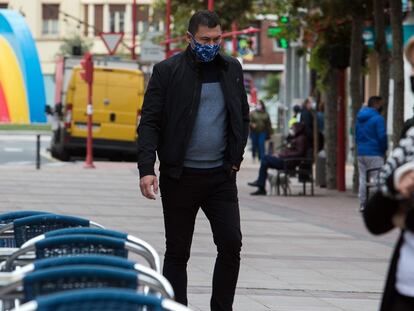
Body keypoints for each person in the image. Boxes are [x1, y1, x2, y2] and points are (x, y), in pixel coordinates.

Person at [137, 10, 249, 311]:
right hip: (180, 176)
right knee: (177, 253)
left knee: (231, 244)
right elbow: (149, 123)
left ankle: (221, 308)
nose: (211, 45)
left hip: (220, 178)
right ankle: (177, 307)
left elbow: (242, 116)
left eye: (217, 39)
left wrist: (235, 160)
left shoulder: (232, 69)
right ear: (189, 38)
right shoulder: (167, 71)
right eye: (204, 39)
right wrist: (146, 169)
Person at [247, 122, 307, 195]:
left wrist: (281, 155)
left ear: (298, 129)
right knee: (264, 162)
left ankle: (260, 184)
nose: (292, 130)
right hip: (286, 161)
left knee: (265, 158)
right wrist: (280, 154)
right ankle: (261, 186)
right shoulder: (297, 138)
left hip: (287, 162)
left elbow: (299, 153)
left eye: (293, 128)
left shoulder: (301, 139)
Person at [355, 96, 387, 211]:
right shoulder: (378, 119)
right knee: (377, 178)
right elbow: (382, 136)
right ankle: (375, 204)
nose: (382, 106)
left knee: (363, 178)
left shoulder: (359, 118)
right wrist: (384, 149)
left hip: (361, 152)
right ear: (376, 104)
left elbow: (356, 135)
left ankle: (363, 204)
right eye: (380, 104)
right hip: (375, 152)